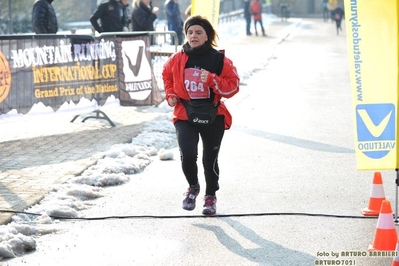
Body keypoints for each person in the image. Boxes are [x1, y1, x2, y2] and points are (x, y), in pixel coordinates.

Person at [162, 15, 240, 215]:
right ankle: (193, 187)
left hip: (213, 115)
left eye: (198, 32)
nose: (193, 36)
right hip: (185, 114)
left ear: (207, 36)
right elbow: (167, 74)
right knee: (188, 155)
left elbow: (233, 86)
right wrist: (170, 94)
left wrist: (213, 80)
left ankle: (210, 196)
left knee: (209, 159)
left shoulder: (219, 59)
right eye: (190, 32)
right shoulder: (178, 58)